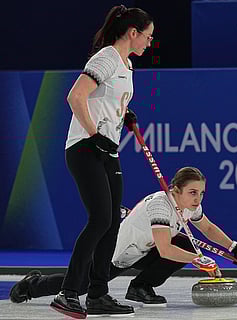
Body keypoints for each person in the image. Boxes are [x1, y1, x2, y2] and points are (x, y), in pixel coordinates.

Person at [10, 167, 237, 309]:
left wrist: (234, 247)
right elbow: (166, 250)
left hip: (145, 250)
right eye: (192, 192)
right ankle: (32, 284)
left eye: (201, 193)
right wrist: (200, 260)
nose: (198, 198)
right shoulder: (161, 206)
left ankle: (140, 287)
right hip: (119, 253)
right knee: (82, 285)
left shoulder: (189, 206)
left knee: (185, 244)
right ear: (175, 190)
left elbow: (208, 229)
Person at [52, 4, 154, 318]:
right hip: (85, 148)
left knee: (111, 223)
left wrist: (122, 114)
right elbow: (76, 96)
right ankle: (67, 292)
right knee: (99, 219)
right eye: (147, 36)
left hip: (107, 150)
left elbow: (105, 99)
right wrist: (94, 132)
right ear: (132, 33)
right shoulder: (107, 57)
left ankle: (98, 294)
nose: (149, 42)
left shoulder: (126, 64)